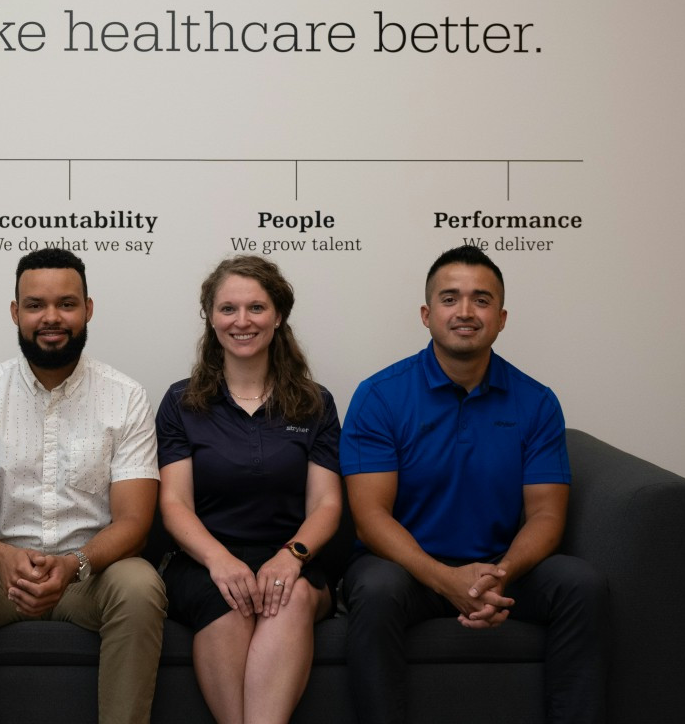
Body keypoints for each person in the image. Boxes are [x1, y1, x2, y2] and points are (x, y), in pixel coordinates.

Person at [340, 245, 608, 724]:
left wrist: (497, 577)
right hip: (407, 571)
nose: (465, 311)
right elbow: (370, 516)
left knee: (579, 584)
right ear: (426, 315)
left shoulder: (537, 401)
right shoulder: (380, 396)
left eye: (481, 300)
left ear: (502, 318)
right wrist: (446, 581)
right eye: (450, 299)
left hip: (501, 570)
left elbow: (547, 514)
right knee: (376, 589)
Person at [0, 248, 166, 724]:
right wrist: (4, 560)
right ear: (16, 312)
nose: (52, 317)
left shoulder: (126, 398)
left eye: (67, 304)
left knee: (141, 586)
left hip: (91, 575)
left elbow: (135, 522)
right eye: (35, 305)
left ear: (89, 309)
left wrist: (74, 565)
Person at [155, 255, 342, 724]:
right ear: (210, 317)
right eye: (228, 309)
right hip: (204, 562)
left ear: (278, 316)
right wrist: (219, 561)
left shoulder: (315, 402)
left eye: (256, 308)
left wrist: (291, 556)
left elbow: (327, 503)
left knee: (291, 596)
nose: (242, 321)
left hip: (291, 555)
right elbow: (174, 503)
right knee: (231, 599)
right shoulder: (181, 401)